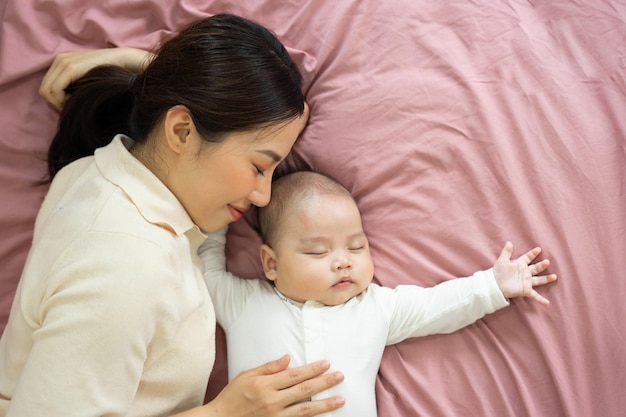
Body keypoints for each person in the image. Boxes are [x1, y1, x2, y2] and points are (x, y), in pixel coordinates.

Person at [0, 14, 346, 417]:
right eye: (258, 167)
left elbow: (291, 113)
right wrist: (224, 413)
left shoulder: (102, 168)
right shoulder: (125, 267)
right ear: (181, 131)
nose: (263, 194)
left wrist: (146, 71)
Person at [198, 170, 558, 417]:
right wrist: (224, 205)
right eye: (318, 252)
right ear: (271, 263)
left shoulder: (374, 307)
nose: (343, 263)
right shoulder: (243, 303)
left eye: (356, 247)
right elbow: (205, 266)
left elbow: (436, 306)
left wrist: (493, 286)